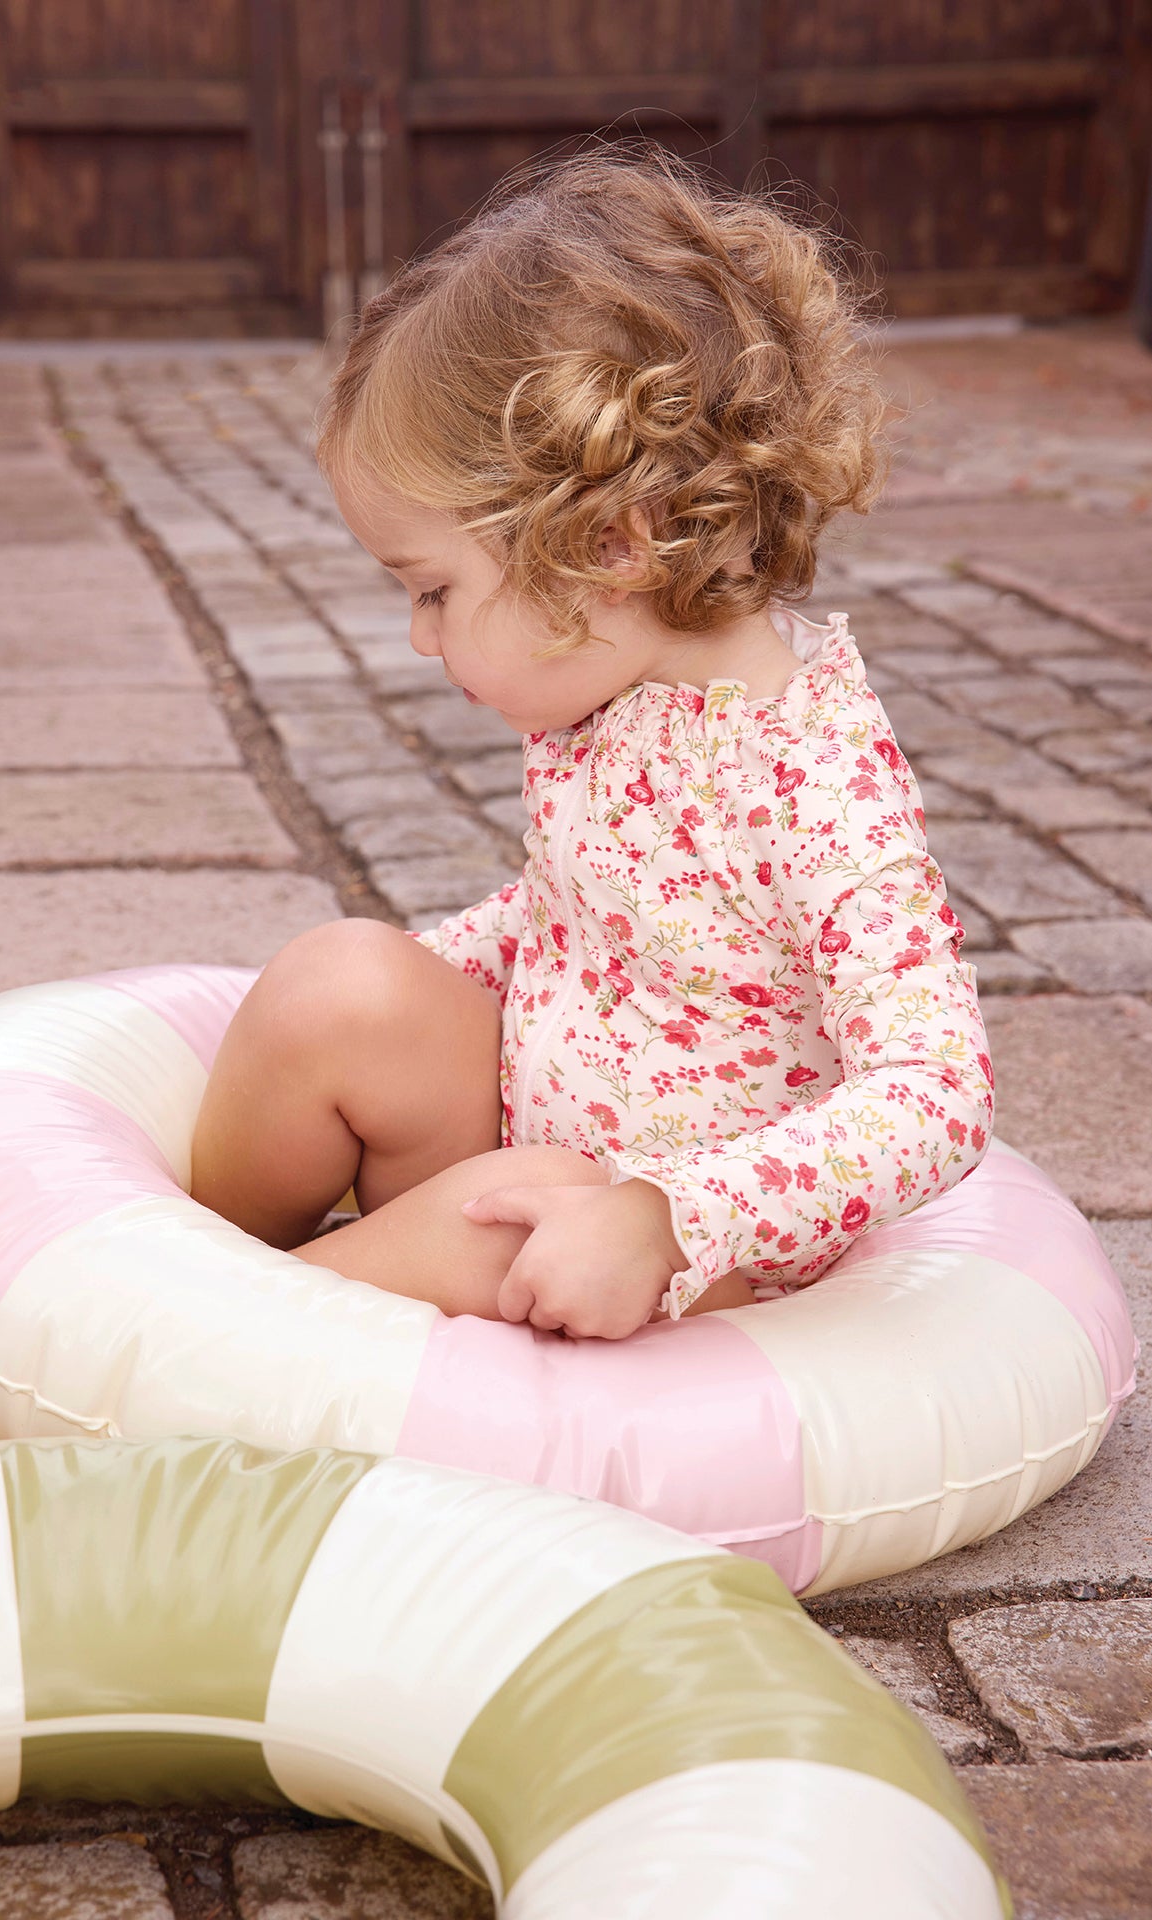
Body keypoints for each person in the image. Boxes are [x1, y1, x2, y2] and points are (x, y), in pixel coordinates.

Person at [190, 146, 994, 1341]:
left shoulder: (816, 775)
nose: (419, 639)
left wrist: (670, 1220)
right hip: (537, 1137)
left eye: (432, 590)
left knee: (527, 1209)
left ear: (609, 548)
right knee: (340, 978)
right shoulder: (610, 702)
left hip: (665, 1256)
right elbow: (576, 924)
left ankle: (214, 1328)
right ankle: (184, 1251)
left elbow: (938, 1092)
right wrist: (410, 983)